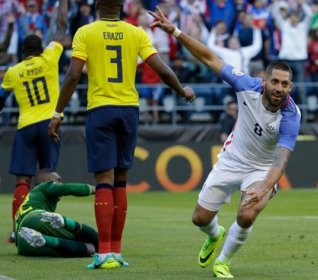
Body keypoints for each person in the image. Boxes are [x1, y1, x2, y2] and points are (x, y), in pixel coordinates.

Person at [149, 6, 301, 279]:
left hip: (262, 168)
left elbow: (283, 155)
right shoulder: (245, 85)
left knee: (246, 214)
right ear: (264, 80)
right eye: (275, 82)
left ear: (291, 87)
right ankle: (215, 234)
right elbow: (210, 58)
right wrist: (176, 32)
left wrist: (266, 186)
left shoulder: (291, 114)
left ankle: (223, 262)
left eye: (285, 84)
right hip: (232, 159)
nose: (279, 88)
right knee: (200, 219)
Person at [48, 0, 195, 270]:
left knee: (104, 179)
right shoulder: (136, 32)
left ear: (97, 7)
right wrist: (182, 90)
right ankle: (117, 250)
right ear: (120, 8)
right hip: (129, 110)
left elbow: (71, 76)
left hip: (101, 109)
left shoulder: (86, 32)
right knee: (121, 181)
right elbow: (161, 69)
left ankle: (104, 253)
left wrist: (57, 113)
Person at [0, 0, 68, 243]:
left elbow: (0, 99)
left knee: (22, 180)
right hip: (50, 124)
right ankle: (47, 225)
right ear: (40, 49)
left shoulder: (13, 71)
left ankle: (16, 229)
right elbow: (61, 28)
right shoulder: (49, 58)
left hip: (26, 126)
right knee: (49, 174)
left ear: (23, 52)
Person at [15, 169, 99, 258]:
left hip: (23, 243)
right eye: (58, 180)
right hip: (36, 219)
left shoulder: (30, 201)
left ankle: (44, 240)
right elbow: (67, 188)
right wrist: (98, 190)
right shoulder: (44, 187)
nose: (61, 183)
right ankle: (63, 224)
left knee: (89, 250)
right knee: (94, 241)